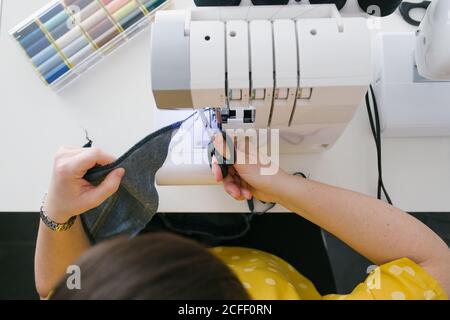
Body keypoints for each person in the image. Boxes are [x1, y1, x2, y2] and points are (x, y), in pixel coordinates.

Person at [35, 135, 450, 300]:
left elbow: (59, 286)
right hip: (279, 262)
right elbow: (434, 264)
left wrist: (58, 215)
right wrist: (286, 186)